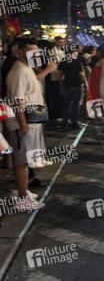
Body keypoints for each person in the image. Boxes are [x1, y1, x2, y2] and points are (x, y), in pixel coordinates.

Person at [3, 38, 47, 210]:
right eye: (29, 50)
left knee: (24, 160)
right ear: (19, 50)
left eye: (36, 51)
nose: (34, 54)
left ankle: (19, 190)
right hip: (23, 122)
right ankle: (22, 199)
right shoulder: (19, 71)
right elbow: (17, 101)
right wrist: (23, 124)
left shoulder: (26, 68)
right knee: (22, 161)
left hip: (31, 120)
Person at [58, 45, 86, 129]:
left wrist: (61, 83)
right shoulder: (77, 62)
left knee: (66, 105)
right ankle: (74, 123)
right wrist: (84, 82)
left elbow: (59, 73)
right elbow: (82, 74)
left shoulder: (63, 61)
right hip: (76, 85)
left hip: (66, 85)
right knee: (75, 105)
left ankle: (64, 122)